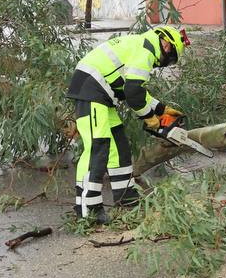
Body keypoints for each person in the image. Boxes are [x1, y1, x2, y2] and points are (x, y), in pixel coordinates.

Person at [66, 25, 189, 224]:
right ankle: (87, 209)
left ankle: (126, 198)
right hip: (90, 92)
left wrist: (161, 110)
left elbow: (136, 89)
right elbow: (133, 93)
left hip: (103, 97)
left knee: (119, 146)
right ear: (167, 45)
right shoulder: (146, 51)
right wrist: (150, 119)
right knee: (97, 147)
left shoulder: (141, 46)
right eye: (171, 56)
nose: (166, 62)